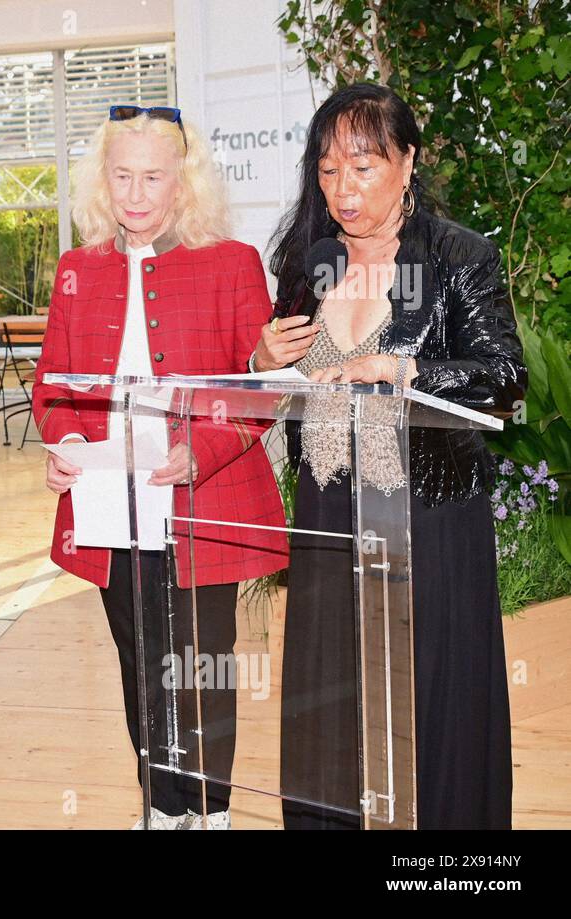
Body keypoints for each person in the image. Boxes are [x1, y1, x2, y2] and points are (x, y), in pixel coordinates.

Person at [255, 83, 524, 830]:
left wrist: (409, 372)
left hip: (428, 515)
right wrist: (263, 356)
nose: (343, 189)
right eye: (329, 168)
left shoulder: (456, 256)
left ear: (408, 162)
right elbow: (291, 384)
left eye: (364, 167)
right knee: (331, 694)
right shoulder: (311, 262)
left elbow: (505, 379)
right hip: (328, 510)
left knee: (427, 697)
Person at [32, 105, 289, 829]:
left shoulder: (232, 263)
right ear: (102, 180)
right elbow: (52, 383)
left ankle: (210, 809)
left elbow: (260, 386)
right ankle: (161, 802)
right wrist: (67, 445)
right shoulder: (77, 268)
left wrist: (199, 451)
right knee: (142, 662)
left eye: (153, 177)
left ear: (185, 182)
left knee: (202, 665)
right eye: (123, 176)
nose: (137, 193)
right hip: (110, 499)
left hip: (206, 495)